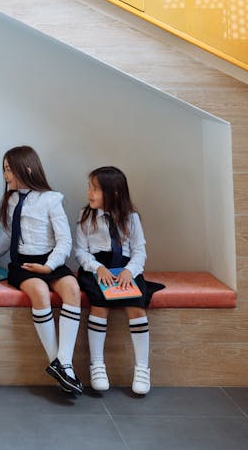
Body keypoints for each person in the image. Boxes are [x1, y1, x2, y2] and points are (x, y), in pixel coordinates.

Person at [0, 145, 83, 395]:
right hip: (23, 264)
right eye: (4, 170)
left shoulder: (51, 199)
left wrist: (49, 266)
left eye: (8, 170)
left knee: (72, 289)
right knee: (39, 291)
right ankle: (54, 360)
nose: (5, 176)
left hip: (50, 261)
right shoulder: (11, 199)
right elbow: (9, 234)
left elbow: (65, 241)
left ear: (26, 169)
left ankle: (65, 362)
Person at [75, 165, 163, 396]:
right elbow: (80, 252)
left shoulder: (131, 218)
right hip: (96, 268)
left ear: (114, 193)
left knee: (136, 307)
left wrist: (130, 271)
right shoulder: (86, 217)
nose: (89, 193)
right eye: (89, 187)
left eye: (95, 189)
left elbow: (139, 251)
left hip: (125, 269)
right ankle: (97, 365)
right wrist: (98, 267)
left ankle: (142, 368)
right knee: (99, 306)